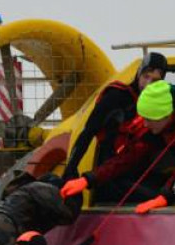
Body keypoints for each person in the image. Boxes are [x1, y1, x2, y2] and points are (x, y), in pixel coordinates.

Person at [59, 80, 175, 213]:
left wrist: (165, 196)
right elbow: (128, 157)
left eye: (149, 119)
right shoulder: (156, 128)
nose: (145, 124)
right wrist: (89, 179)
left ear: (166, 115)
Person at [61, 52, 168, 196]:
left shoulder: (161, 102)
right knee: (151, 196)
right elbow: (87, 132)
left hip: (137, 168)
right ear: (138, 74)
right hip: (110, 173)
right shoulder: (117, 96)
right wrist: (71, 168)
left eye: (154, 80)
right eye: (145, 76)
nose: (148, 84)